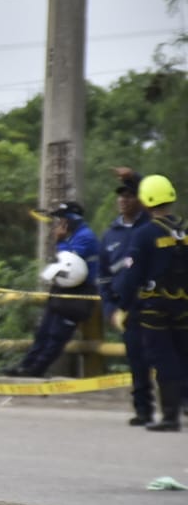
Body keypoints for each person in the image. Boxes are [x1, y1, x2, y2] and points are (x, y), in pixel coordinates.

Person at [117, 175, 188, 432]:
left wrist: (121, 303)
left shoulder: (144, 234)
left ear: (146, 201)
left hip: (155, 309)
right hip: (184, 307)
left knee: (164, 359)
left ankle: (170, 417)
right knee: (184, 355)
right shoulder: (184, 230)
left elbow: (130, 275)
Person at [6, 201, 100, 378]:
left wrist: (61, 242)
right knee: (43, 332)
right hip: (62, 289)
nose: (59, 222)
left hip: (78, 293)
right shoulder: (72, 236)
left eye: (62, 218)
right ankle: (25, 366)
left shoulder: (85, 236)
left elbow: (70, 264)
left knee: (57, 337)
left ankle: (36, 370)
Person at [97, 169, 153, 424]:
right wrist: (109, 308)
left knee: (168, 356)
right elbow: (103, 277)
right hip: (126, 307)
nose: (124, 200)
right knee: (137, 360)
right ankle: (143, 409)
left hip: (155, 302)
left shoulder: (152, 226)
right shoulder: (110, 235)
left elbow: (152, 193)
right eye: (121, 196)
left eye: (130, 195)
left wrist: (136, 177)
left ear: (140, 200)